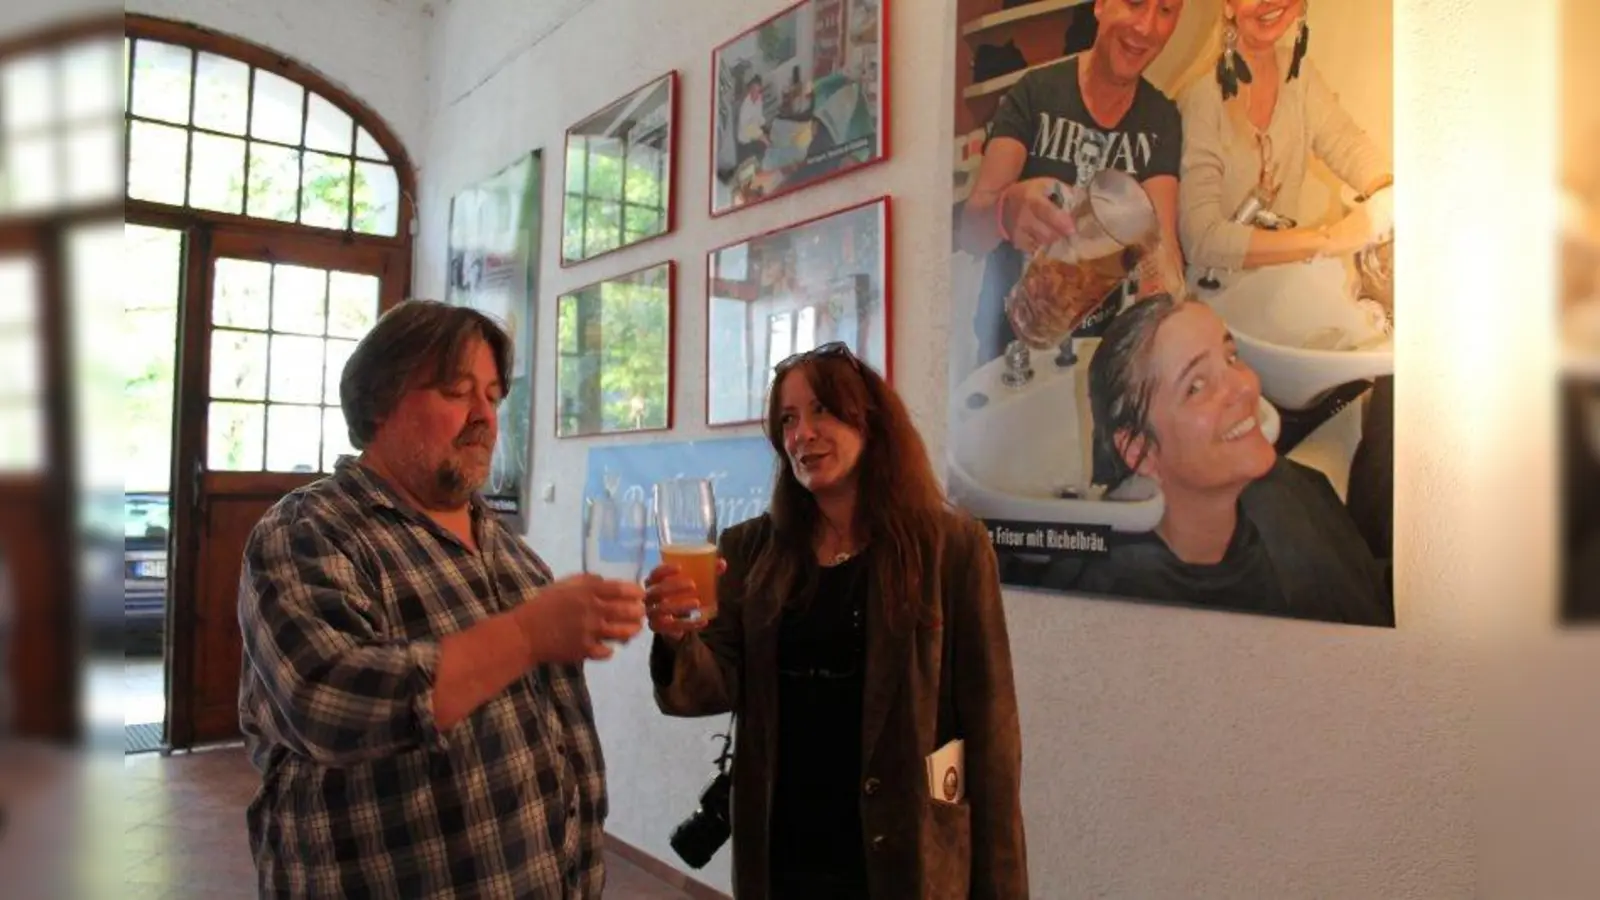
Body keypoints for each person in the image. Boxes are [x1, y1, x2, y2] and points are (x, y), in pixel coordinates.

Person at [237, 300, 647, 899]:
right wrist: (528, 634)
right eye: (458, 392)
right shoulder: (310, 530)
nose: (484, 416)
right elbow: (326, 699)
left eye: (493, 396)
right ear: (381, 400)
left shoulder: (508, 551)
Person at [645, 342, 1027, 900]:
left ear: (869, 420)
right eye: (788, 420)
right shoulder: (750, 549)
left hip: (904, 854)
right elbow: (707, 688)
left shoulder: (950, 550)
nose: (802, 434)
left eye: (821, 409)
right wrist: (676, 637)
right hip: (784, 848)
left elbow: (992, 739)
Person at [1055, 295, 1391, 626]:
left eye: (1231, 358)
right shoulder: (1124, 610)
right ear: (1137, 449)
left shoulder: (1283, 491)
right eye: (1196, 386)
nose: (1245, 386)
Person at [958, 0, 1189, 364]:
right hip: (1013, 355)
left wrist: (1165, 289)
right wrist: (1008, 210)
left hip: (1102, 355)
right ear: (1100, 5)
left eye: (1165, 10)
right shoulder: (1035, 93)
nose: (1146, 27)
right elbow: (970, 233)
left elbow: (1163, 247)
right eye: (1134, 3)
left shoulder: (1161, 120)